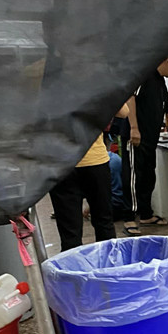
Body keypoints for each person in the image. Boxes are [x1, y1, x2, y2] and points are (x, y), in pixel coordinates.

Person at [121, 52, 168, 236]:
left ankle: (145, 214)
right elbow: (130, 98)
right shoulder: (144, 74)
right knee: (133, 176)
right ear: (167, 60)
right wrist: (134, 128)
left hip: (151, 138)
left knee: (148, 176)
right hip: (136, 136)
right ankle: (129, 218)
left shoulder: (160, 81)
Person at [49, 103, 129, 251]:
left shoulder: (47, 82)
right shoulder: (94, 81)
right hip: (94, 161)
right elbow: (123, 111)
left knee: (69, 231)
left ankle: (73, 272)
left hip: (60, 162)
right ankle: (108, 270)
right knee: (103, 222)